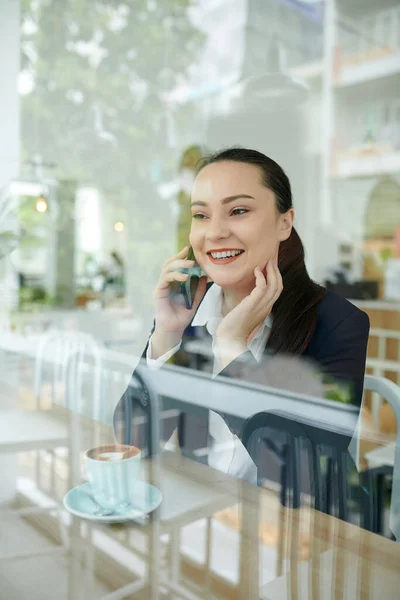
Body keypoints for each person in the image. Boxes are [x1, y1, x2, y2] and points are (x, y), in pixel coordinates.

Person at [115, 147, 370, 483]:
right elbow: (132, 441)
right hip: (208, 517)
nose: (215, 232)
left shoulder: (338, 322)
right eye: (201, 215)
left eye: (237, 210)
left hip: (293, 528)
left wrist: (233, 350)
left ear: (284, 223)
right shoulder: (187, 311)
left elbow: (304, 479)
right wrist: (165, 336)